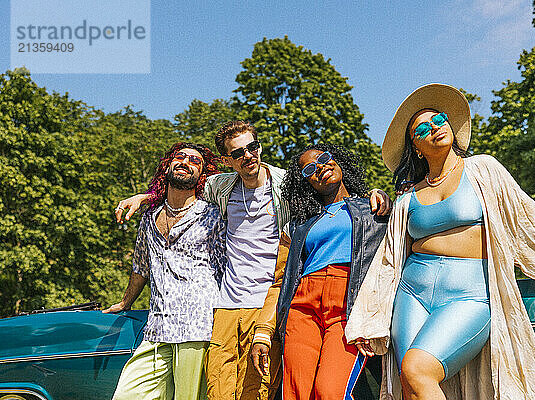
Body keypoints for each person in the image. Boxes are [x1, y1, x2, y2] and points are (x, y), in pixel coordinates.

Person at [345, 83, 535, 400]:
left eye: (438, 119)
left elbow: (529, 221)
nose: (435, 128)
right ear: (416, 147)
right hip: (411, 293)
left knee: (417, 369)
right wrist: (370, 316)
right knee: (410, 385)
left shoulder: (483, 169)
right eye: (422, 128)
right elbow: (389, 258)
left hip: (469, 294)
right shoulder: (407, 197)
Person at [115, 121, 393, 400]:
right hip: (226, 304)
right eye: (238, 153)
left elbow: (335, 201)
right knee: (218, 391)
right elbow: (184, 185)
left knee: (258, 392)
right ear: (227, 160)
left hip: (267, 303)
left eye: (252, 147)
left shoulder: (287, 183)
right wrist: (146, 197)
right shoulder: (218, 187)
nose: (248, 156)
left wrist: (373, 195)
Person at [250, 143, 388, 400]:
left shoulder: (373, 209)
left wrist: (383, 196)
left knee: (330, 391)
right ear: (307, 184)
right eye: (310, 169)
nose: (320, 168)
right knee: (295, 392)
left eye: (323, 159)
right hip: (302, 303)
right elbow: (282, 280)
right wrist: (265, 330)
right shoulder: (301, 225)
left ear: (337, 160)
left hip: (348, 304)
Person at [105, 142, 226, 400]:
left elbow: (227, 266)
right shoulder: (150, 216)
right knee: (127, 394)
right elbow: (141, 264)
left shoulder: (212, 215)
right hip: (158, 326)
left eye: (195, 161)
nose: (185, 162)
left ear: (201, 175)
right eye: (180, 157)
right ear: (167, 166)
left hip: (198, 325)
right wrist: (126, 301)